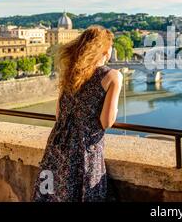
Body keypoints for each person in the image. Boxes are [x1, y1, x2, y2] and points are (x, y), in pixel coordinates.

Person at [33, 26, 123, 202]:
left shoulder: (70, 73)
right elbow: (106, 122)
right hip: (85, 148)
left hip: (57, 145)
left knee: (52, 194)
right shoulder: (112, 76)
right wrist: (115, 111)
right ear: (106, 49)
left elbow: (59, 114)